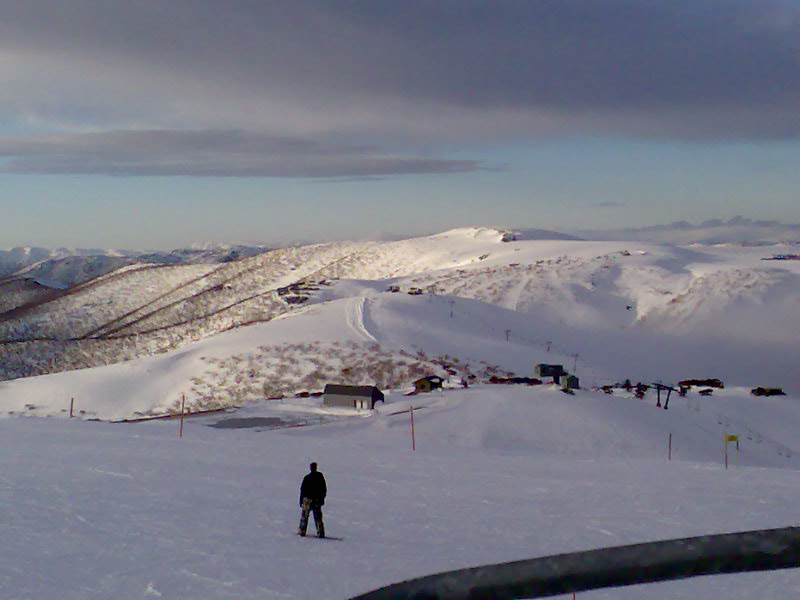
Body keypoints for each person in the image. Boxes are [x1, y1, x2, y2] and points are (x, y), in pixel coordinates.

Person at [298, 462, 326, 538]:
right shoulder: (319, 476)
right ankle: (320, 532)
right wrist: (322, 498)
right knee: (317, 518)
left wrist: (301, 500)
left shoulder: (307, 477)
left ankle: (302, 531)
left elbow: (302, 490)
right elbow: (323, 489)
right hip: (316, 500)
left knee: (305, 517)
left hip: (308, 500)